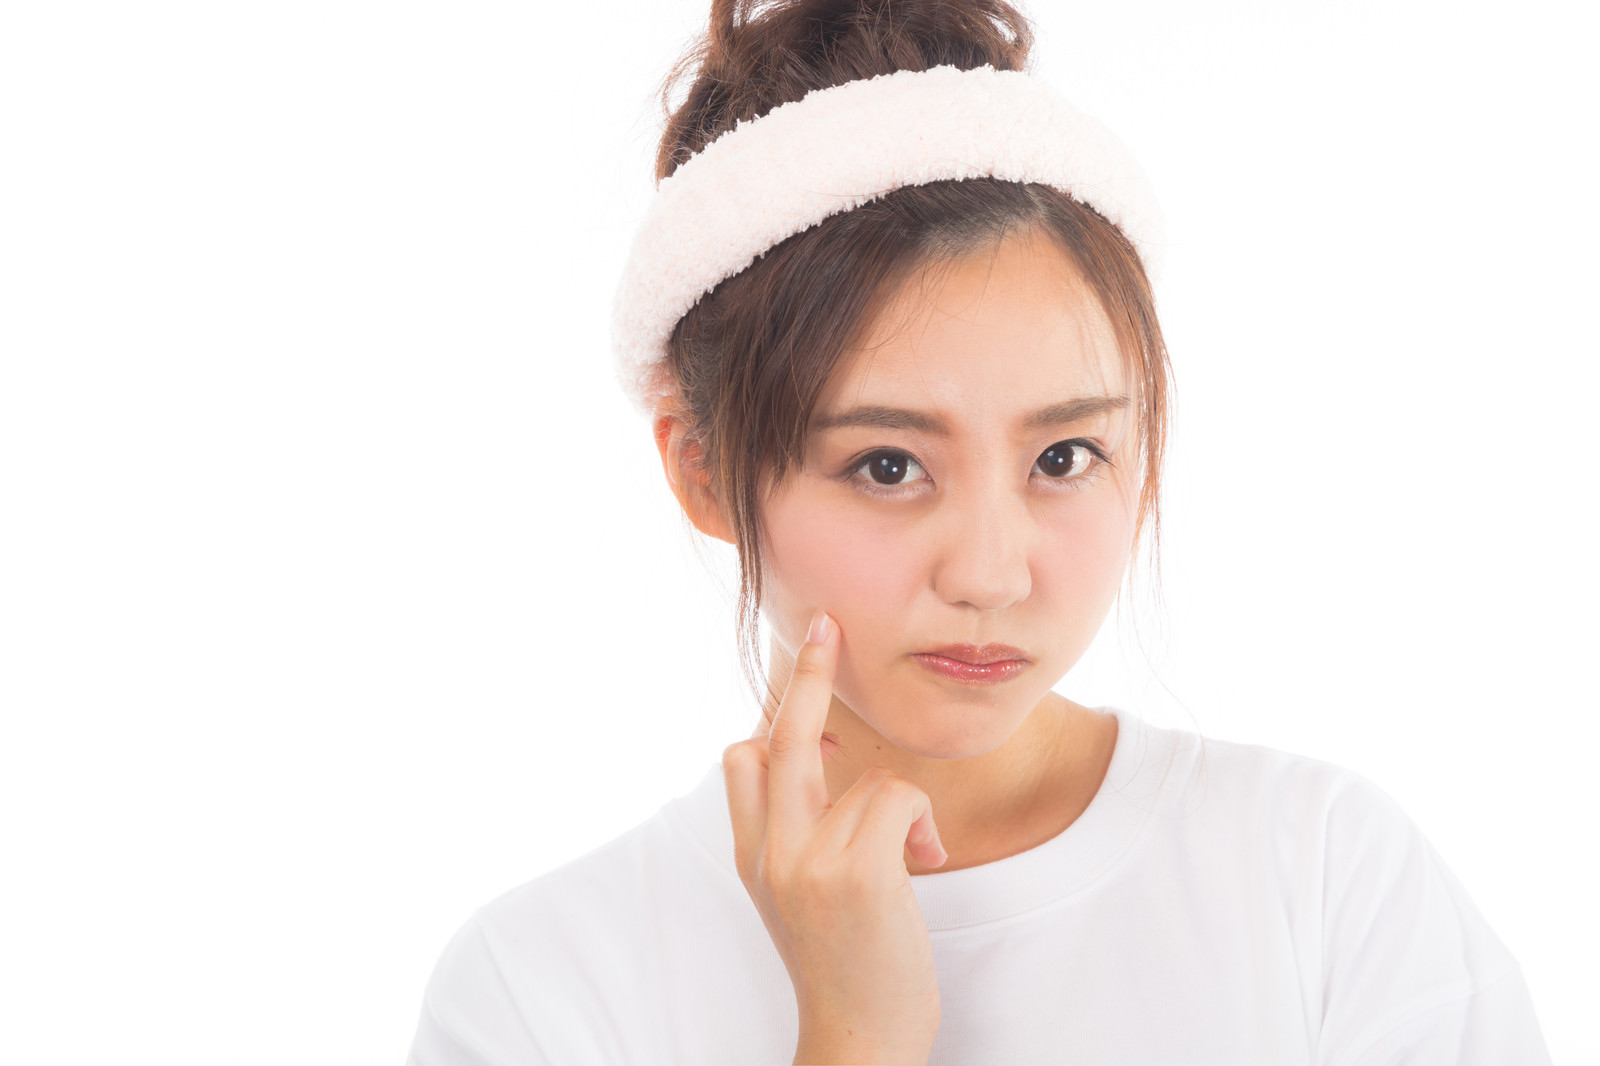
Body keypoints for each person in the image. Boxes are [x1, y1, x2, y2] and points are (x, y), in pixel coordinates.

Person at [405, 1, 1553, 1062]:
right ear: (703, 472)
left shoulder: (1323, 878)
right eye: (888, 466)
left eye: (1062, 458)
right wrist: (856, 1032)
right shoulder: (541, 990)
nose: (991, 573)